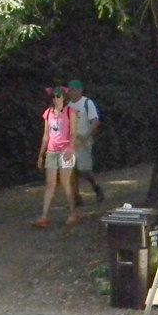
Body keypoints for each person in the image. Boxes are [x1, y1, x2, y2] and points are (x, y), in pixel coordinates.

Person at [34, 86, 79, 227]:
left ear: (64, 98)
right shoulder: (48, 113)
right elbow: (46, 135)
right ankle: (44, 216)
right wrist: (41, 155)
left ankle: (72, 213)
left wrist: (70, 149)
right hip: (52, 151)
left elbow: (73, 133)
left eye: (58, 96)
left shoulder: (70, 112)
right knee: (50, 184)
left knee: (65, 182)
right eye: (53, 96)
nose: (55, 99)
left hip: (66, 150)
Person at [67, 79, 104, 205]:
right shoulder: (68, 106)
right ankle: (76, 198)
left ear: (81, 90)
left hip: (84, 141)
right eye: (71, 90)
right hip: (72, 142)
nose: (73, 93)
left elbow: (95, 121)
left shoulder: (87, 103)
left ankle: (96, 186)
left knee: (84, 170)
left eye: (75, 90)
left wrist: (88, 135)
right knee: (71, 169)